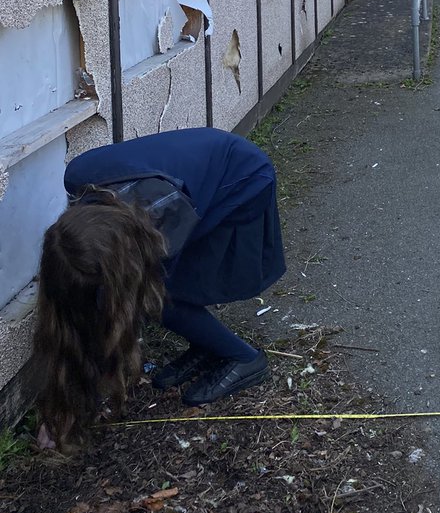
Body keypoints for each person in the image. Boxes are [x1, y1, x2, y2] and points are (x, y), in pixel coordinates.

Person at [35, 127, 286, 450]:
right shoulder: (79, 180)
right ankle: (206, 345)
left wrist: (84, 397)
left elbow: (125, 304)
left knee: (163, 298)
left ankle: (245, 358)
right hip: (197, 174)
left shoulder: (160, 211)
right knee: (164, 290)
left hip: (242, 178)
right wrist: (65, 403)